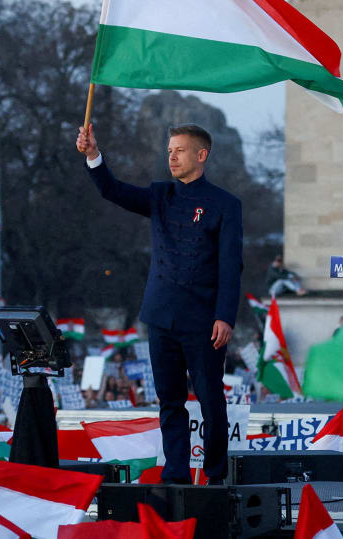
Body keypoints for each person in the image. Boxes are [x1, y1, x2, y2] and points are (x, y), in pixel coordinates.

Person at [76, 122, 243, 484]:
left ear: (201, 155)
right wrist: (93, 156)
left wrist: (225, 316)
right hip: (161, 316)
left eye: (179, 150)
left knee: (212, 402)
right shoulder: (160, 195)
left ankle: (215, 476)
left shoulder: (225, 204)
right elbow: (112, 190)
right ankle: (176, 475)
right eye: (169, 150)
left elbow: (232, 265)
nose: (171, 156)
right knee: (170, 402)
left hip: (204, 321)